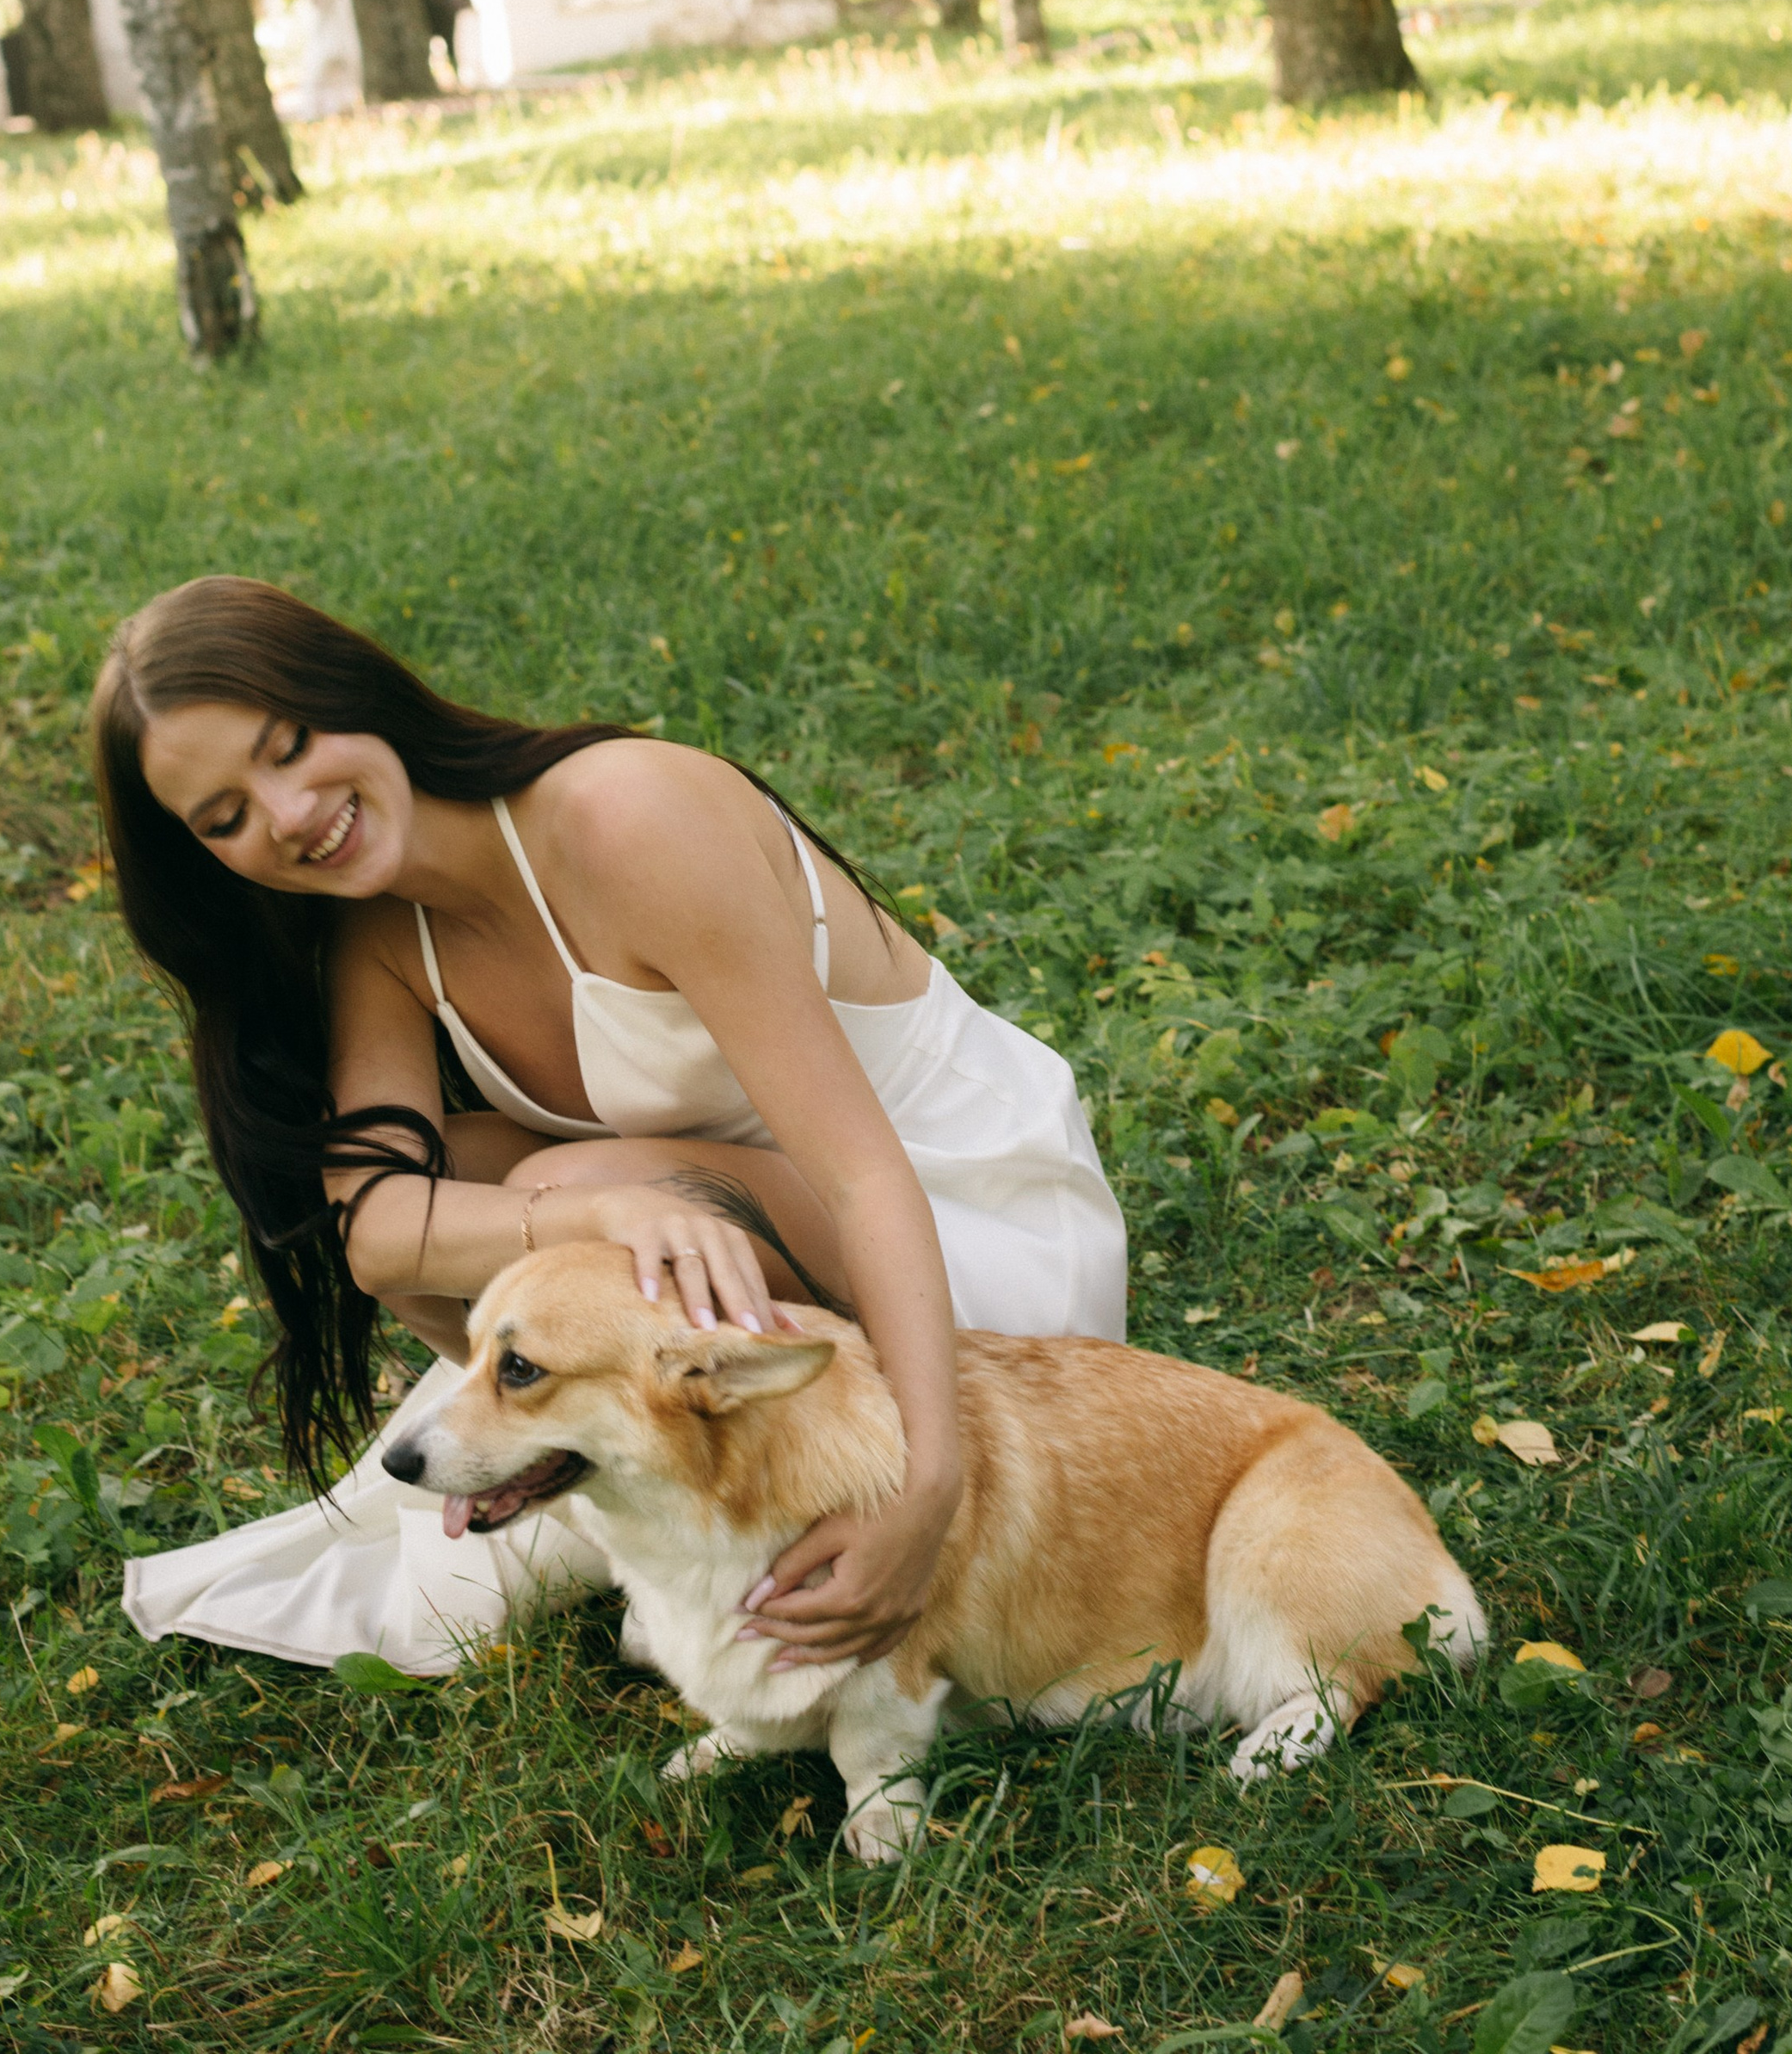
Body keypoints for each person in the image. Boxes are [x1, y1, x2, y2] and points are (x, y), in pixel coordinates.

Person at [100, 577, 1126, 1677]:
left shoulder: (627, 817)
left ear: (351, 692)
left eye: (290, 745)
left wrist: (929, 1489)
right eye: (227, 818)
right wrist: (594, 1209)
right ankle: (587, 1456)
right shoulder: (380, 943)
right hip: (767, 1243)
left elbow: (867, 1181)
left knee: (556, 1179)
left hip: (965, 1238)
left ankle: (800, 1456)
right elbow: (374, 1233)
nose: (289, 814)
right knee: (449, 1178)